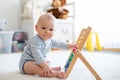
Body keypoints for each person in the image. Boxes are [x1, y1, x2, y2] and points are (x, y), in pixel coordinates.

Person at [19, 13, 77, 79]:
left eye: (51, 29)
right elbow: (37, 55)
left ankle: (49, 69)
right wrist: (44, 65)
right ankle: (54, 73)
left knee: (47, 62)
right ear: (36, 28)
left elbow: (59, 44)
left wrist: (70, 46)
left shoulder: (50, 40)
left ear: (54, 30)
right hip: (26, 63)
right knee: (33, 66)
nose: (47, 32)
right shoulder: (35, 41)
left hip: (38, 62)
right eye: (43, 28)